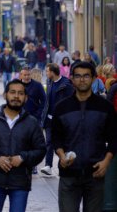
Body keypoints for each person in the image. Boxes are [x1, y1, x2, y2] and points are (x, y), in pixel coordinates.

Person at [52, 61, 117, 212]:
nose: (82, 80)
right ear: (72, 79)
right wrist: (61, 156)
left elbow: (114, 138)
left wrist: (106, 162)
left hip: (95, 173)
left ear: (94, 79)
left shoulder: (105, 107)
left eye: (86, 76)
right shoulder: (62, 107)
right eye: (78, 76)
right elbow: (56, 138)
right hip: (69, 174)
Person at [0, 79, 46, 212]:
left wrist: (23, 158)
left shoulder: (32, 123)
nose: (16, 96)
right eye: (12, 92)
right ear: (5, 95)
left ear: (26, 98)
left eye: (20, 93)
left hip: (20, 182)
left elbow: (41, 150)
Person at [40, 63, 74, 176]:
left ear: (53, 72)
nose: (46, 73)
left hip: (62, 119)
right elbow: (47, 102)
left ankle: (62, 166)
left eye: (47, 71)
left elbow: (71, 101)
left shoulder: (66, 84)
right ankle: (48, 166)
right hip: (50, 119)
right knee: (49, 142)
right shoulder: (49, 83)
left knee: (62, 144)